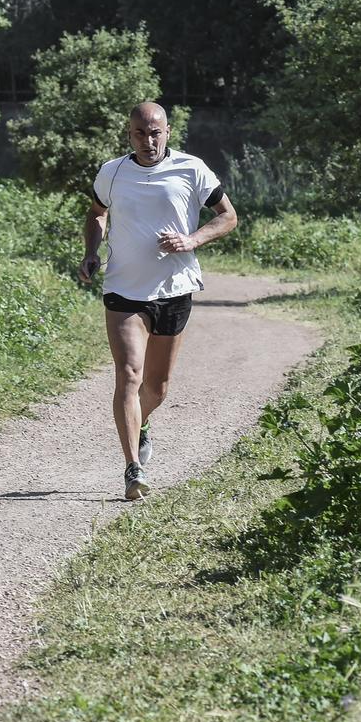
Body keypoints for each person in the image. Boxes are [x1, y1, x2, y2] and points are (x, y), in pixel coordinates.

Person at [79, 101, 238, 500]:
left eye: (155, 133)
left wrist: (192, 239)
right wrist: (91, 252)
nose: (148, 141)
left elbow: (228, 217)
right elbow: (97, 213)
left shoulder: (192, 169)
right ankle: (133, 469)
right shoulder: (112, 172)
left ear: (167, 132)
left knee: (157, 388)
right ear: (129, 134)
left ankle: (142, 422)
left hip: (174, 289)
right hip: (124, 290)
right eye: (139, 134)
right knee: (129, 375)